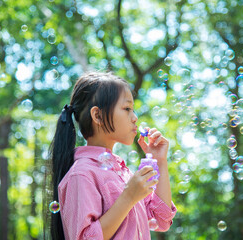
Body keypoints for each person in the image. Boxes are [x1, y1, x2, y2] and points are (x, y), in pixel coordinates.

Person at [49, 72, 176, 240]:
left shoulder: (123, 173)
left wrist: (160, 161)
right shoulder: (81, 174)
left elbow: (161, 219)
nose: (134, 118)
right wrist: (129, 197)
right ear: (98, 116)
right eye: (127, 109)